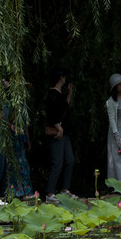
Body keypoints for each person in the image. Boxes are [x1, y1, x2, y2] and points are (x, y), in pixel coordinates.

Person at [45, 68, 75, 203]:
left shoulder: (60, 94)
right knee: (57, 163)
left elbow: (64, 108)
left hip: (64, 133)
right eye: (64, 76)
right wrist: (59, 127)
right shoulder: (52, 94)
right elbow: (51, 115)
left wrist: (69, 93)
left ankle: (65, 189)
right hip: (57, 133)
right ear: (60, 78)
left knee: (69, 160)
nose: (65, 78)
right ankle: (49, 193)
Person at [8, 102, 34, 199]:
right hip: (12, 137)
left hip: (20, 137)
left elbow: (25, 123)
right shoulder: (11, 102)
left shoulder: (23, 104)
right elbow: (7, 120)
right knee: (14, 164)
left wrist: (27, 138)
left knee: (23, 165)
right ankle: (14, 192)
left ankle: (25, 191)